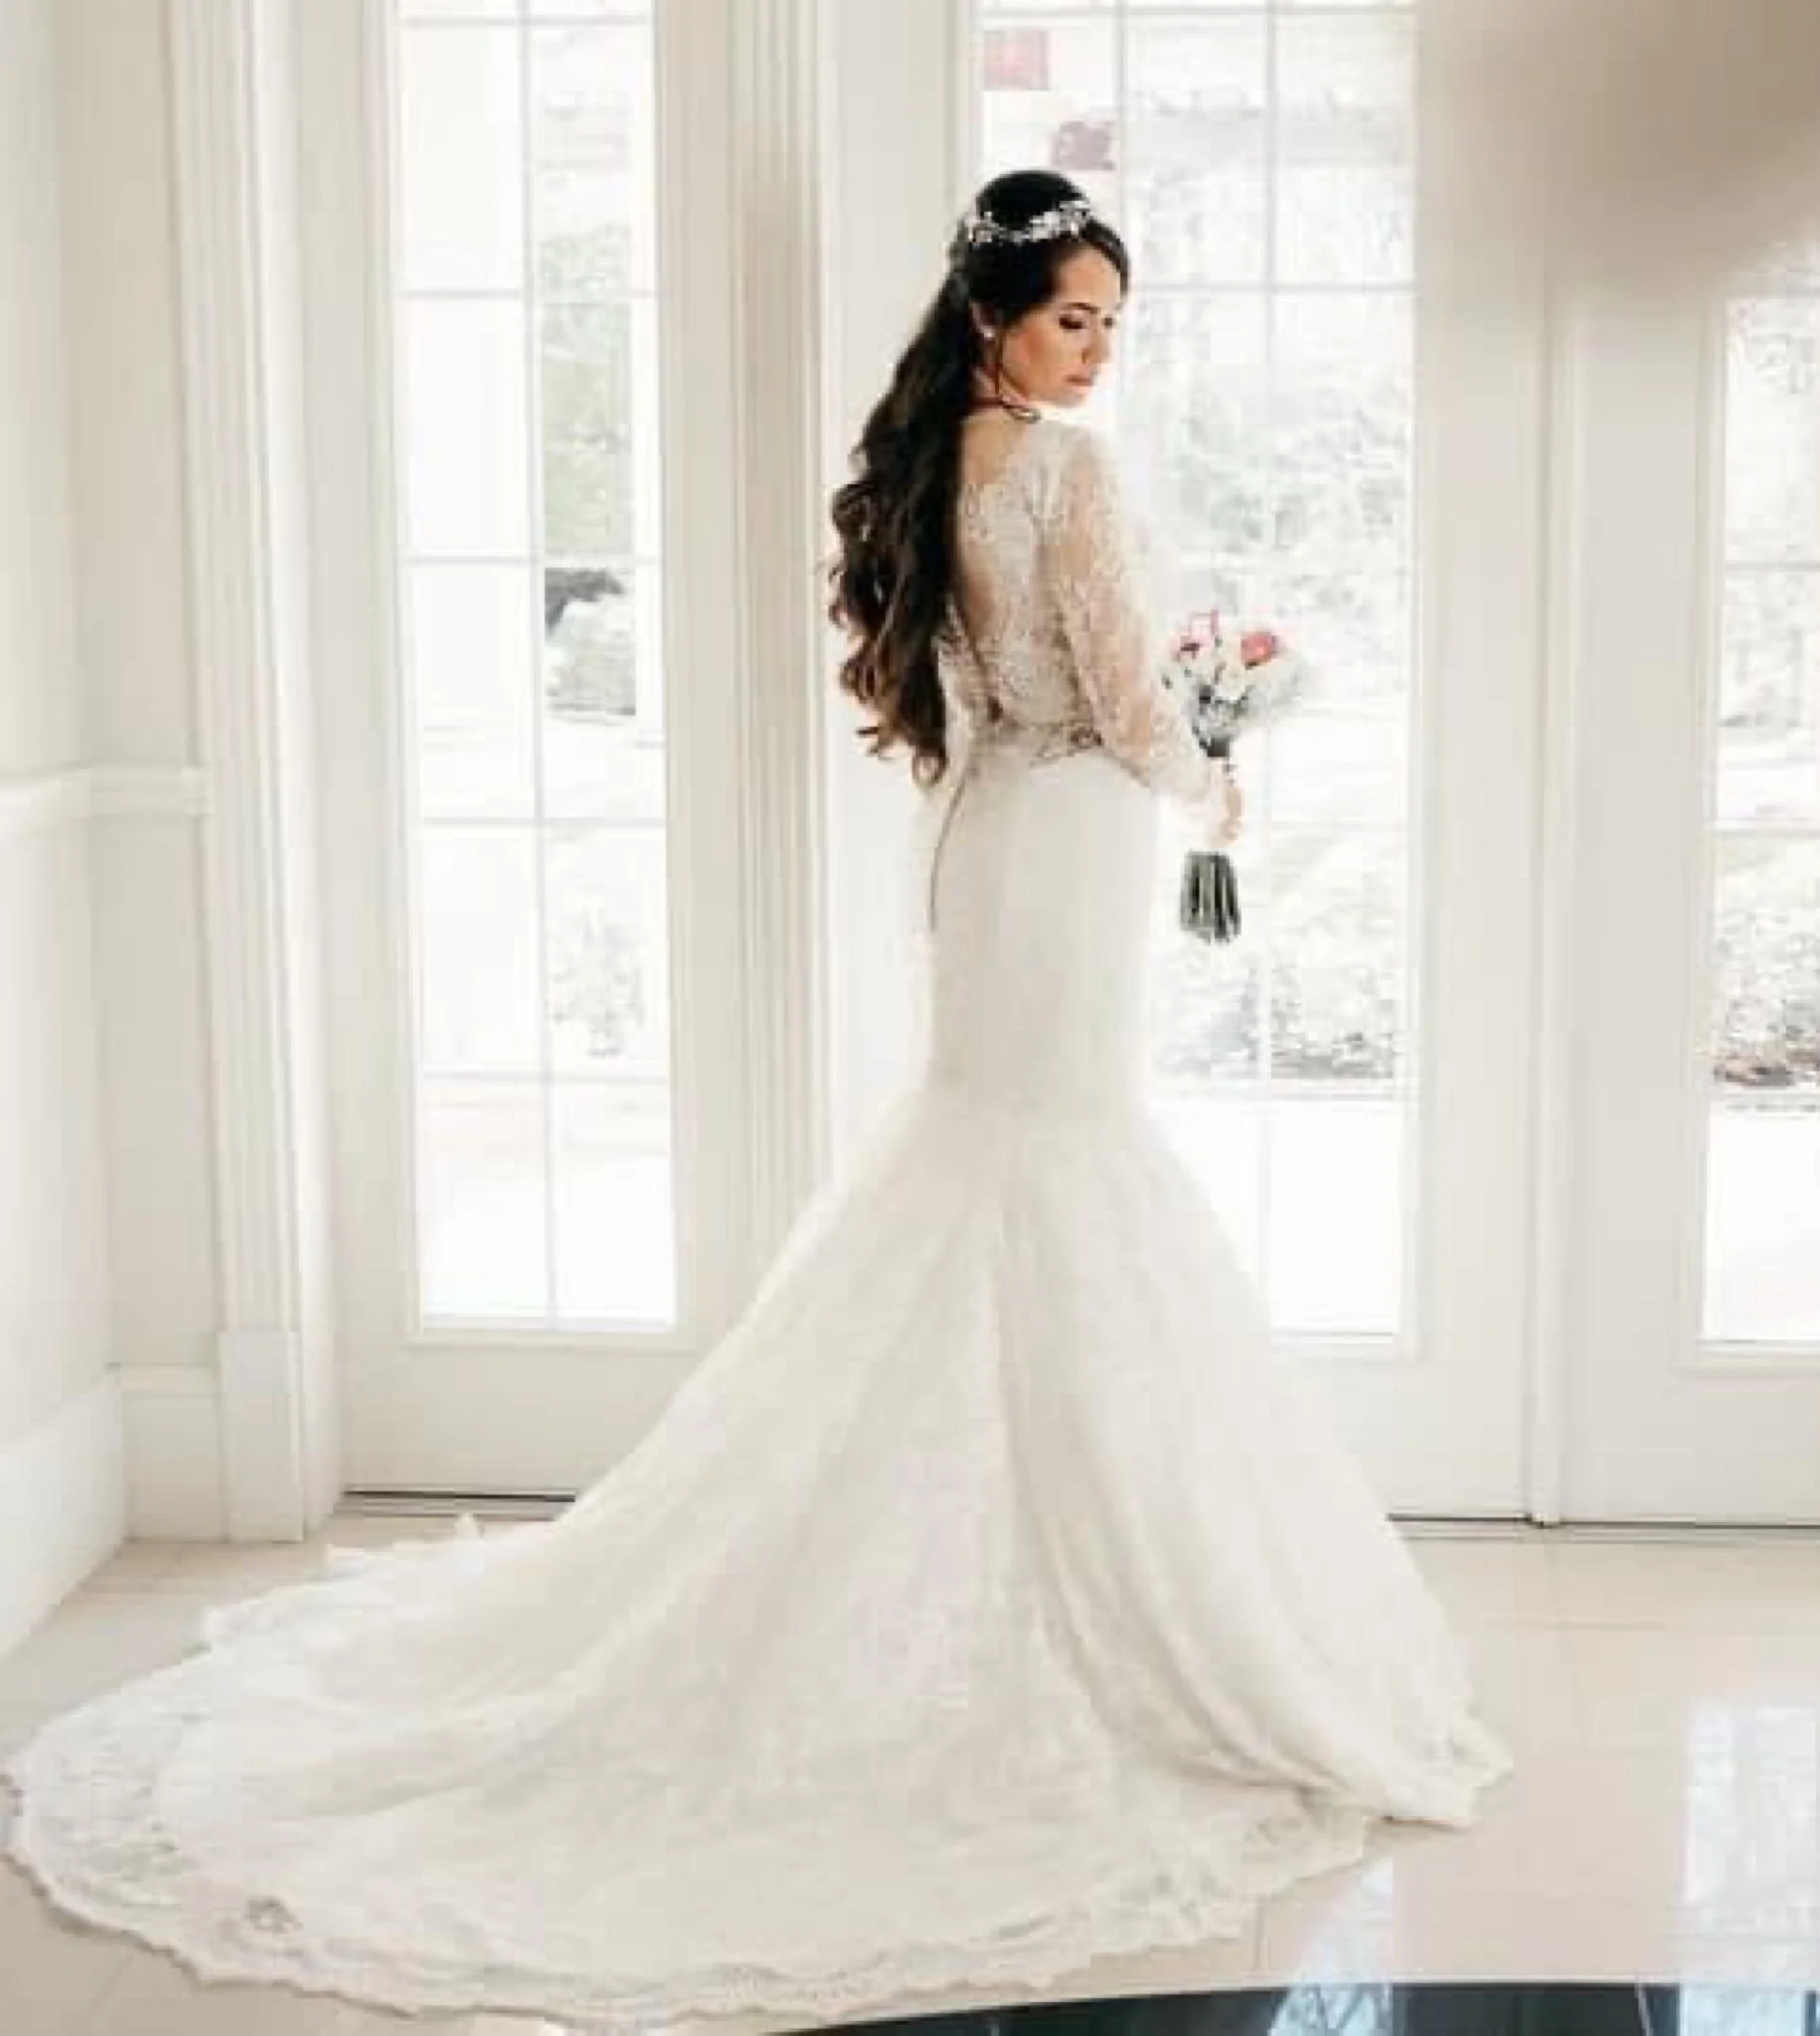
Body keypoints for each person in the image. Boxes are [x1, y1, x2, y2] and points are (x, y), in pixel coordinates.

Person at [0, 168, 1510, 2032]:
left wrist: (1173, 753)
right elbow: (1123, 695)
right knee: (1058, 1180)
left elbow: (982, 690)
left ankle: (1020, 1570)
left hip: (985, 850)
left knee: (1000, 1180)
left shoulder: (938, 463)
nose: (1099, 352)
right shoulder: (1066, 473)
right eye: (1071, 320)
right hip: (1070, 839)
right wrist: (1211, 776)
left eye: (1117, 322)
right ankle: (1091, 1611)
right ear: (992, 321)